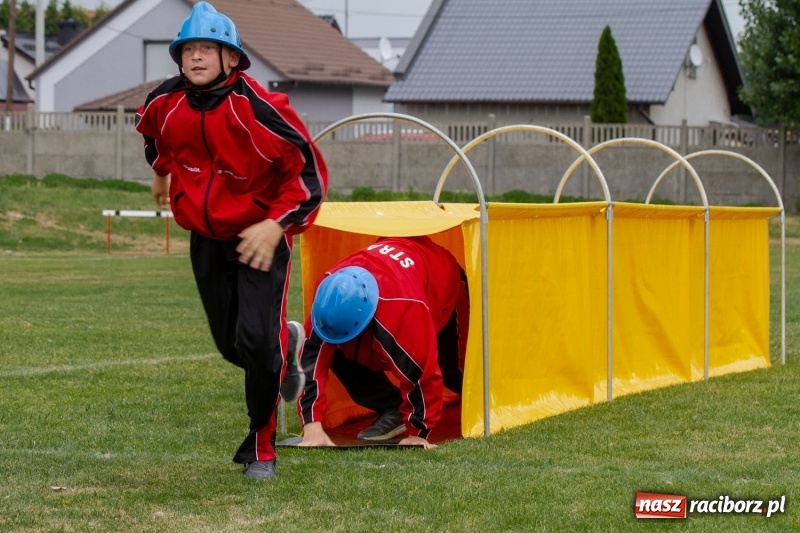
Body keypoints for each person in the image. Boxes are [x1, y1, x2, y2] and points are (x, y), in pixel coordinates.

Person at [135, 1, 328, 480]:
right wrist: (160, 177)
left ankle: (262, 446)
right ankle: (288, 341)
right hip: (205, 238)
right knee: (232, 347)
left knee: (258, 348)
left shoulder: (260, 109)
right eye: (188, 49)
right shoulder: (165, 101)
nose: (196, 57)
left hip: (259, 239)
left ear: (232, 58)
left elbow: (309, 175)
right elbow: (156, 138)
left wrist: (275, 224)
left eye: (208, 48)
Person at [297, 236, 469, 450]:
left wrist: (419, 432)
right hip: (396, 275)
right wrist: (312, 423)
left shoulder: (402, 310)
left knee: (452, 370)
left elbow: (423, 371)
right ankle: (391, 407)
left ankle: (490, 400)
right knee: (335, 347)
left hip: (441, 278)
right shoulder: (328, 296)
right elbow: (310, 361)